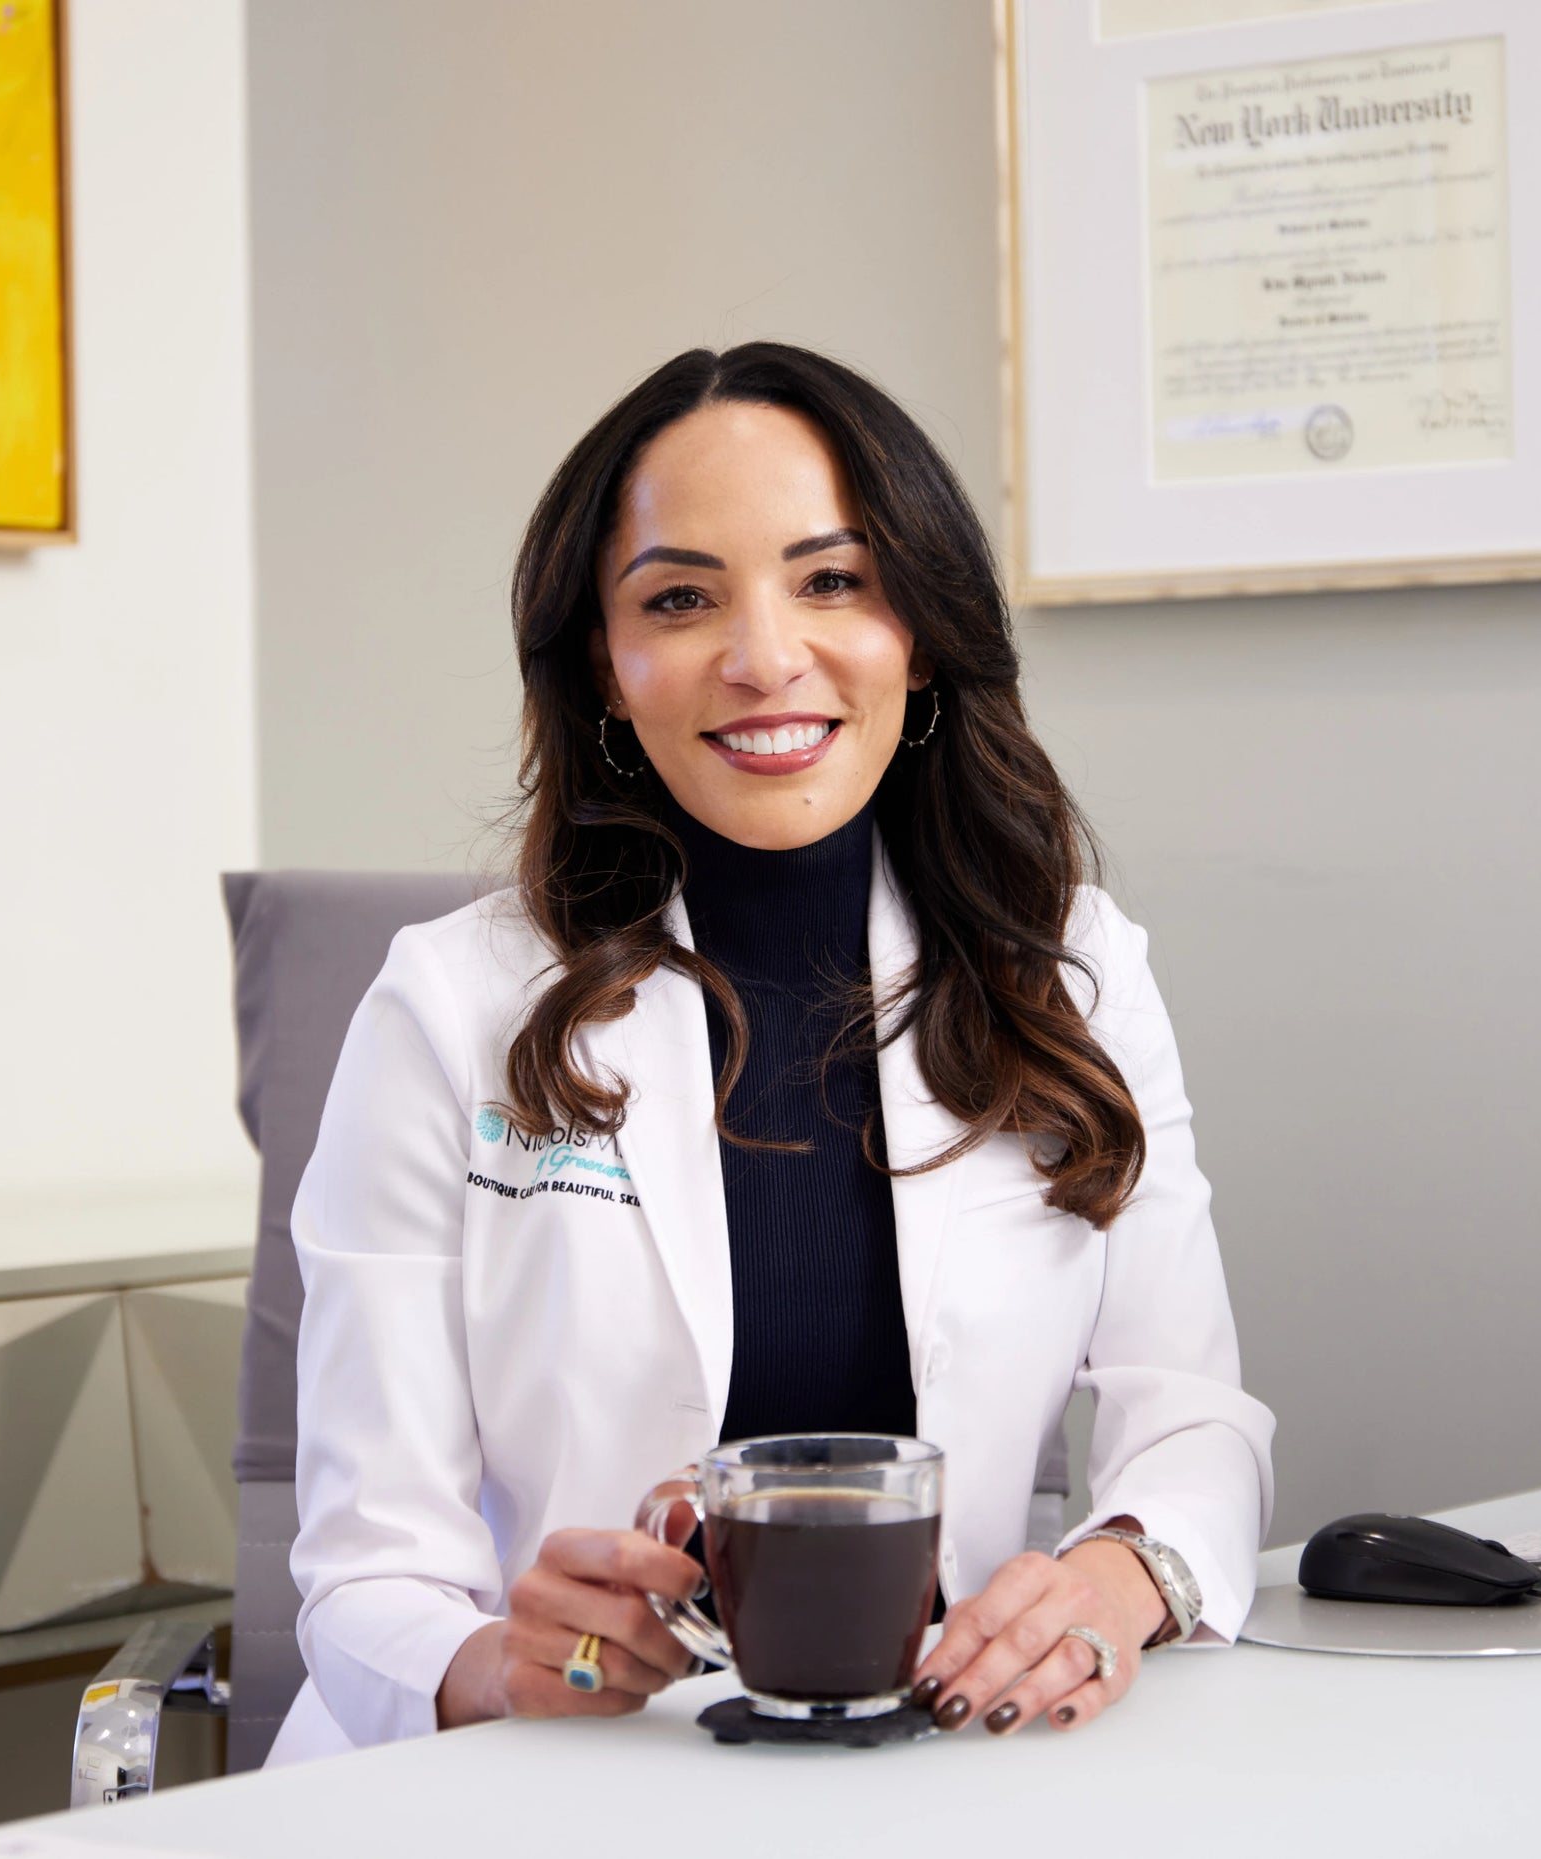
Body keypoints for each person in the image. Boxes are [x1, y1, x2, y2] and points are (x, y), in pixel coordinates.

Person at [266, 342, 1274, 1765]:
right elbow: (370, 1577)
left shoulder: (1072, 973)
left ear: (917, 630)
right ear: (606, 671)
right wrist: (498, 1660)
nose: (762, 657)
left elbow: (1194, 1413)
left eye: (833, 580)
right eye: (680, 598)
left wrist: (1121, 1576)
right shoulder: (452, 1007)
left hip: (928, 1773)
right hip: (523, 1791)